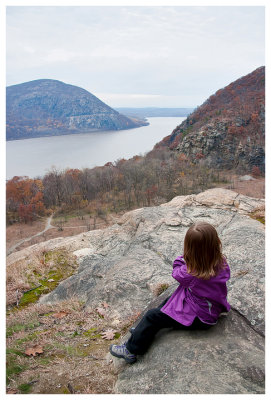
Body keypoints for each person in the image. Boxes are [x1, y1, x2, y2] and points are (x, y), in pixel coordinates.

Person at [109, 221, 231, 363]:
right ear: (215, 243)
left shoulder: (190, 273)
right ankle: (141, 332)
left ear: (190, 250)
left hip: (200, 318)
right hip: (210, 308)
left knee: (152, 316)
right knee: (171, 301)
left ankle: (131, 350)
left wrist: (186, 257)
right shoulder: (221, 262)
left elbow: (176, 270)